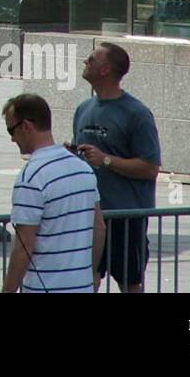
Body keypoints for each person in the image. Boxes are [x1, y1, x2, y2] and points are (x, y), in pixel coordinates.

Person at [70, 42, 161, 293]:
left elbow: (150, 166)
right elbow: (86, 157)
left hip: (126, 216)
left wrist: (106, 159)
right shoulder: (83, 109)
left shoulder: (136, 113)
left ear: (105, 70)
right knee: (87, 278)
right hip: (92, 214)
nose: (85, 62)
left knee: (129, 281)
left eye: (91, 59)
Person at [1, 93, 104, 293]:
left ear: (26, 126)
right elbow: (99, 228)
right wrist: (91, 273)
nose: (12, 139)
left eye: (11, 130)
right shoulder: (83, 168)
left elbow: (24, 247)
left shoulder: (31, 177)